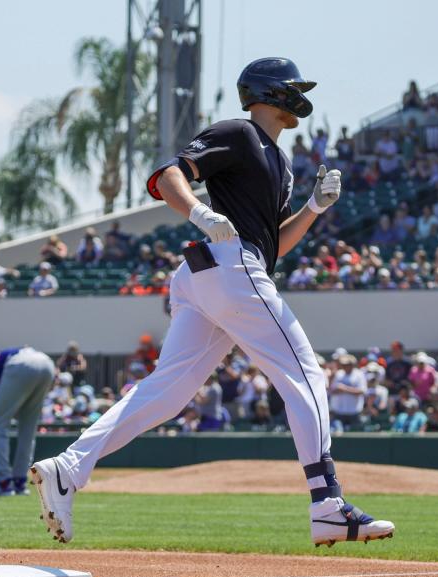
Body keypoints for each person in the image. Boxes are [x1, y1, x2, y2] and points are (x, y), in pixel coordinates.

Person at [29, 57, 394, 547]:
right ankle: (327, 503)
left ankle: (68, 468)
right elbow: (169, 173)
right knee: (306, 374)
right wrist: (200, 211)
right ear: (271, 92)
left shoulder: (279, 161)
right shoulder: (241, 133)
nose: (299, 96)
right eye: (293, 87)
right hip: (228, 264)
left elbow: (274, 245)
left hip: (221, 272)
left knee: (167, 392)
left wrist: (314, 208)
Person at [0, 347, 56, 497]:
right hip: (46, 363)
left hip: (20, 364)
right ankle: (20, 483)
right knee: (27, 429)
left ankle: (4, 483)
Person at [328, 354, 366, 432]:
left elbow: (362, 391)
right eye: (344, 365)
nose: (345, 367)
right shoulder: (338, 374)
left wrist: (345, 389)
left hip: (354, 412)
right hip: (338, 412)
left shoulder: (359, 374)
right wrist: (338, 389)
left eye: (347, 365)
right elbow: (331, 391)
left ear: (352, 365)